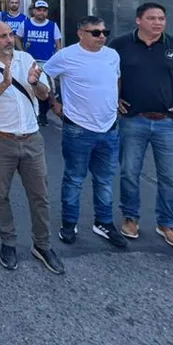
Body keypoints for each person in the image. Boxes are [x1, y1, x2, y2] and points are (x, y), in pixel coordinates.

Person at [108, 3, 173, 250]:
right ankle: (130, 218)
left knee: (169, 178)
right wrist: (114, 98)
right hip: (132, 120)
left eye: (162, 18)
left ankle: (167, 224)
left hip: (169, 122)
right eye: (151, 18)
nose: (158, 23)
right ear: (138, 20)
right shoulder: (120, 44)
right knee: (130, 173)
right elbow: (107, 73)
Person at [0, 21, 62, 274]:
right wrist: (4, 82)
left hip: (31, 138)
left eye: (10, 35)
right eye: (2, 37)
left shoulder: (26, 58)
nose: (9, 40)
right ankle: (8, 242)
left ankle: (42, 245)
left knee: (40, 195)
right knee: (0, 195)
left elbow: (43, 95)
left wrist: (34, 83)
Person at [42, 17, 125, 248]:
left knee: (105, 180)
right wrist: (53, 101)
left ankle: (104, 222)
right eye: (95, 32)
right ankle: (69, 223)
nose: (102, 37)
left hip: (109, 128)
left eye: (104, 32)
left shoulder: (112, 55)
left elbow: (116, 79)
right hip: (78, 128)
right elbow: (43, 74)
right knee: (74, 179)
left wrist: (115, 101)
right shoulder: (66, 55)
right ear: (81, 33)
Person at [18, 1, 63, 128]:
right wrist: (21, 51)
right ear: (34, 11)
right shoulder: (26, 24)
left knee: (47, 90)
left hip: (47, 62)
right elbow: (17, 37)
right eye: (39, 10)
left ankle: (42, 114)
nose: (41, 12)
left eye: (44, 10)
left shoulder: (52, 25)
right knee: (29, 87)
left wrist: (58, 58)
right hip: (30, 61)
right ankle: (32, 113)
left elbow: (58, 43)